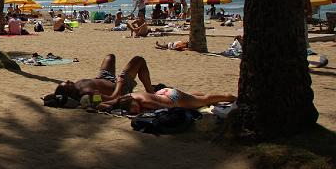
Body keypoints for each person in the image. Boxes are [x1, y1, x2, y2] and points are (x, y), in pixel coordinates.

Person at [53, 54, 154, 102]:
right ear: (69, 91)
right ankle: (151, 92)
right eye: (66, 84)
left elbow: (52, 97)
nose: (67, 81)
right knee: (139, 60)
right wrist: (119, 84)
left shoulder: (76, 86)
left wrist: (97, 80)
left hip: (104, 77)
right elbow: (112, 98)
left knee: (110, 57)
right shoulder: (87, 94)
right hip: (119, 87)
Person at [98, 87, 236, 114]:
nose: (136, 110)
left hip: (173, 98)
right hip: (164, 93)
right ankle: (197, 97)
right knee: (194, 98)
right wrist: (98, 104)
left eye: (134, 108)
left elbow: (166, 109)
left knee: (204, 100)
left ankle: (229, 97)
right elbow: (105, 103)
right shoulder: (125, 98)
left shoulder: (146, 103)